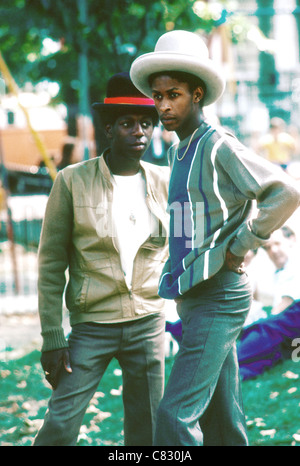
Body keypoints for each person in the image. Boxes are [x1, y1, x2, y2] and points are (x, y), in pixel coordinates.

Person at [130, 30, 300, 446]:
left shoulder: (217, 145)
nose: (164, 105)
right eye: (158, 96)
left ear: (198, 94)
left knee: (172, 417)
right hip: (193, 296)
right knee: (222, 422)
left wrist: (241, 244)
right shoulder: (177, 152)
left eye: (175, 94)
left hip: (219, 296)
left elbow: (285, 192)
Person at [33, 72, 170, 446]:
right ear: (108, 128)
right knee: (60, 424)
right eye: (127, 123)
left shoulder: (165, 180)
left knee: (148, 429)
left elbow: (190, 242)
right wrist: (52, 336)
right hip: (92, 325)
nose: (139, 131)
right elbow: (49, 266)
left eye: (146, 123)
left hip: (147, 323)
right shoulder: (71, 181)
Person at [238, 226, 300, 380]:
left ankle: (232, 361)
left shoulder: (296, 261)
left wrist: (268, 320)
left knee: (267, 329)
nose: (273, 251)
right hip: (292, 333)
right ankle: (238, 373)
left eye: (277, 244)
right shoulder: (278, 274)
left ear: (291, 239)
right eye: (268, 248)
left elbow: (288, 301)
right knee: (273, 352)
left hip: (295, 315)